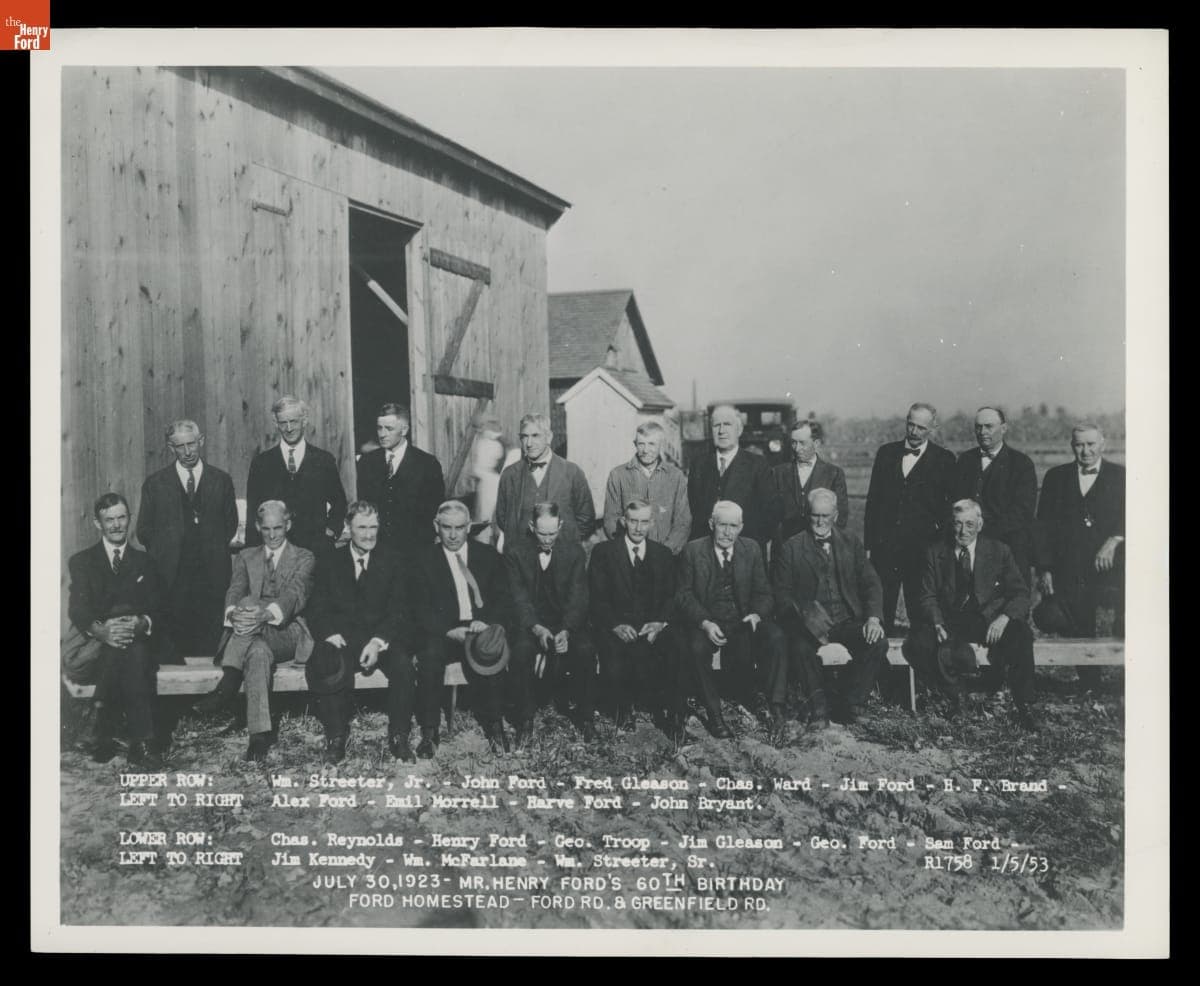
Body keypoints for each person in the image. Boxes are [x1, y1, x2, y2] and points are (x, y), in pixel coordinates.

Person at [194, 500, 316, 761]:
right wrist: (234, 614)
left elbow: (295, 594)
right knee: (258, 652)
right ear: (258, 527)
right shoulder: (246, 556)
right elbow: (235, 590)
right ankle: (259, 736)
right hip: (251, 632)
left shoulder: (304, 557)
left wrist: (265, 613)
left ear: (288, 525)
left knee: (250, 603)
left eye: (278, 528)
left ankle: (228, 683)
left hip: (287, 630)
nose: (272, 535)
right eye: (266, 529)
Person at [903, 499, 1040, 730]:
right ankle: (955, 698)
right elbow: (927, 596)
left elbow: (1020, 593)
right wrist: (936, 623)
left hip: (989, 621)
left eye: (969, 524)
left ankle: (1024, 705)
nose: (963, 531)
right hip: (951, 622)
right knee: (920, 642)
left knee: (1021, 634)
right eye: (957, 524)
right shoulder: (936, 552)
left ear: (980, 524)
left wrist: (1004, 618)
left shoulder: (999, 550)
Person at [304, 502, 417, 764]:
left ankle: (399, 736)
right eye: (362, 527)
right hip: (344, 639)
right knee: (327, 659)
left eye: (373, 527)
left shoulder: (393, 560)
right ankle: (336, 735)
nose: (369, 534)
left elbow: (400, 610)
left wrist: (378, 642)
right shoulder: (331, 561)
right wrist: (330, 633)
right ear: (348, 528)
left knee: (404, 666)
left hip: (380, 639)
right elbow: (317, 606)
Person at [772, 488, 887, 728]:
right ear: (807, 514)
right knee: (799, 647)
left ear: (835, 515)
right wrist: (803, 616)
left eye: (826, 516)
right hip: (809, 627)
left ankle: (853, 703)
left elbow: (871, 583)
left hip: (846, 621)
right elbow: (781, 593)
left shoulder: (850, 542)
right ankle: (819, 709)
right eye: (815, 515)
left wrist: (873, 618)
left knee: (877, 641)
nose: (820, 521)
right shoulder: (792, 547)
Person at [409, 500, 517, 756]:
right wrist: (447, 630)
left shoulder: (488, 556)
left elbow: (504, 599)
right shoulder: (424, 560)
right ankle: (429, 730)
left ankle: (494, 723)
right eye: (447, 528)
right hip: (445, 631)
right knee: (430, 655)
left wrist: (487, 621)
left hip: (478, 627)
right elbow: (418, 608)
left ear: (469, 526)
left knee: (490, 649)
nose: (454, 535)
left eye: (459, 527)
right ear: (437, 526)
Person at [675, 500, 786, 740]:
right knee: (695, 647)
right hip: (707, 621)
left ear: (741, 527)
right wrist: (704, 622)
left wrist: (756, 614)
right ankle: (714, 714)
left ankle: (776, 707)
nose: (727, 532)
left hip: (741, 621)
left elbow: (764, 592)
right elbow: (683, 595)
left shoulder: (751, 549)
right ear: (711, 524)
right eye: (722, 525)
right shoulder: (693, 551)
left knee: (775, 636)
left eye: (733, 526)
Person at [67, 493, 164, 766]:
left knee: (129, 645)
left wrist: (141, 623)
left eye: (121, 517)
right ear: (98, 524)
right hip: (95, 647)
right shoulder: (82, 561)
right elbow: (78, 608)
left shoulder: (145, 561)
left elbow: (157, 608)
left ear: (129, 519)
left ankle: (101, 728)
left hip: (134, 640)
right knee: (127, 649)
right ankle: (141, 741)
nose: (117, 525)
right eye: (109, 520)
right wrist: (102, 631)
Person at [136, 419, 238, 659]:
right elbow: (144, 530)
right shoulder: (155, 484)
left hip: (212, 578)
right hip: (172, 580)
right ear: (171, 448)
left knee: (210, 645)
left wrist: (209, 549)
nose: (188, 452)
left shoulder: (221, 480)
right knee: (174, 647)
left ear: (201, 441)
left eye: (192, 444)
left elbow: (230, 525)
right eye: (180, 446)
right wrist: (168, 552)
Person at [1035, 424, 1125, 684]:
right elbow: (1043, 528)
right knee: (1064, 618)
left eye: (1090, 444)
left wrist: (1115, 539)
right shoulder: (1056, 477)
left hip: (1110, 566)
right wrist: (1044, 569)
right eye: (1079, 445)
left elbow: (1135, 515)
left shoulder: (1121, 476)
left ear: (1103, 444)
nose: (1085, 451)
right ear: (1071, 446)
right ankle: (1089, 682)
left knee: (1124, 618)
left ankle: (1128, 682)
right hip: (1069, 568)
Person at [589, 498, 684, 737]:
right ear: (624, 521)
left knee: (678, 645)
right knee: (613, 652)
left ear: (652, 523)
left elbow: (672, 596)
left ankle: (673, 716)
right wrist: (615, 625)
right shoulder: (604, 552)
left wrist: (660, 623)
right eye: (633, 521)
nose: (638, 528)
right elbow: (596, 597)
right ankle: (623, 709)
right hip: (618, 625)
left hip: (651, 626)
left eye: (644, 522)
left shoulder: (662, 554)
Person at [506, 502, 597, 742]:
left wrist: (566, 631)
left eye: (553, 533)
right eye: (542, 533)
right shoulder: (516, 552)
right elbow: (518, 599)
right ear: (531, 526)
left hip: (564, 623)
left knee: (586, 650)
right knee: (521, 652)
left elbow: (579, 598)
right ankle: (524, 719)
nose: (548, 540)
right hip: (531, 624)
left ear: (561, 526)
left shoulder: (575, 552)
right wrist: (537, 629)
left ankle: (586, 718)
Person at [863, 402, 957, 634]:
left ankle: (922, 666)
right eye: (910, 425)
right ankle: (882, 667)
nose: (914, 432)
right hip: (885, 549)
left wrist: (939, 547)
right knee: (880, 610)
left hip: (923, 551)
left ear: (932, 429)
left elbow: (947, 511)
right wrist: (870, 545)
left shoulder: (945, 460)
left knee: (922, 613)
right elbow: (873, 502)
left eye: (921, 428)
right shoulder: (886, 454)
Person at [245, 396, 347, 557]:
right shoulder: (261, 463)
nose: (289, 428)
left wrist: (330, 533)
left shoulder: (323, 460)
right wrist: (252, 555)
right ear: (276, 424)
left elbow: (340, 503)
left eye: (293, 421)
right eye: (283, 423)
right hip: (275, 553)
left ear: (304, 420)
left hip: (316, 552)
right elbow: (253, 512)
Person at [952, 406, 1037, 585]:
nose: (982, 432)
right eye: (978, 427)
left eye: (989, 426)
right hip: (969, 548)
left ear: (1003, 428)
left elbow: (1022, 512)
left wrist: (983, 535)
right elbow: (956, 503)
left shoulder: (1021, 464)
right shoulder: (965, 461)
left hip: (1008, 548)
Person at [355, 403, 445, 557]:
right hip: (378, 552)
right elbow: (365, 506)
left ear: (404, 430)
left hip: (416, 553)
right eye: (379, 428)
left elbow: (434, 509)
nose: (382, 434)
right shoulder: (367, 463)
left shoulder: (427, 464)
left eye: (389, 429)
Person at [493, 413, 595, 549]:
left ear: (549, 437)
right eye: (524, 437)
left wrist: (564, 546)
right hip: (521, 561)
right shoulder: (509, 475)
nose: (529, 443)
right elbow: (502, 518)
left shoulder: (572, 472)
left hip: (561, 559)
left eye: (535, 436)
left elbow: (586, 519)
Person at [687, 404, 777, 551]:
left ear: (739, 430)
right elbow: (693, 510)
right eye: (717, 425)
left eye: (727, 424)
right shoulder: (699, 465)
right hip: (706, 552)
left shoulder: (758, 465)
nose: (722, 431)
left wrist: (751, 545)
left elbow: (771, 512)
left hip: (744, 553)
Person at [601, 420, 691, 554]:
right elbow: (610, 520)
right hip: (630, 556)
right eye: (641, 444)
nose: (646, 450)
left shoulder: (676, 476)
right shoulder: (618, 475)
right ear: (635, 444)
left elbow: (683, 522)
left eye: (651, 444)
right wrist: (629, 550)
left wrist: (664, 553)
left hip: (666, 558)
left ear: (661, 445)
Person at [771, 419, 849, 546]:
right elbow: (771, 516)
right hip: (784, 547)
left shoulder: (834, 474)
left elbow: (841, 516)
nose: (797, 449)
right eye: (793, 443)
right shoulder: (777, 473)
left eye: (802, 443)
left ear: (816, 443)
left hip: (820, 547)